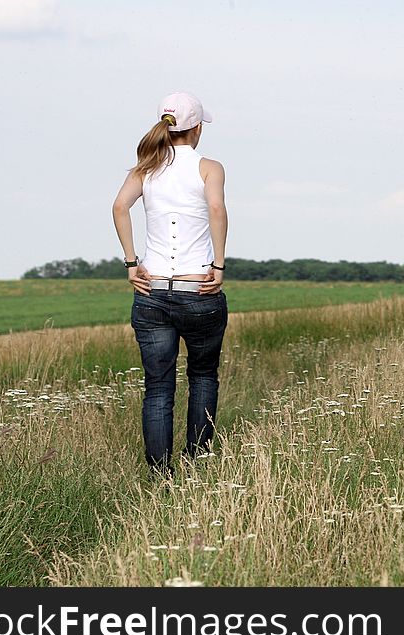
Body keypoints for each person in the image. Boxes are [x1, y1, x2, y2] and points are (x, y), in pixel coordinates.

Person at [112, 91, 229, 478]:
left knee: (158, 388)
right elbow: (215, 209)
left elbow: (118, 207)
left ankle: (161, 473)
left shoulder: (145, 169)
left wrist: (132, 262)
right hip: (199, 289)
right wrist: (219, 265)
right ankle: (197, 464)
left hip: (153, 291)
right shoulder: (209, 167)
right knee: (203, 376)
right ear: (195, 128)